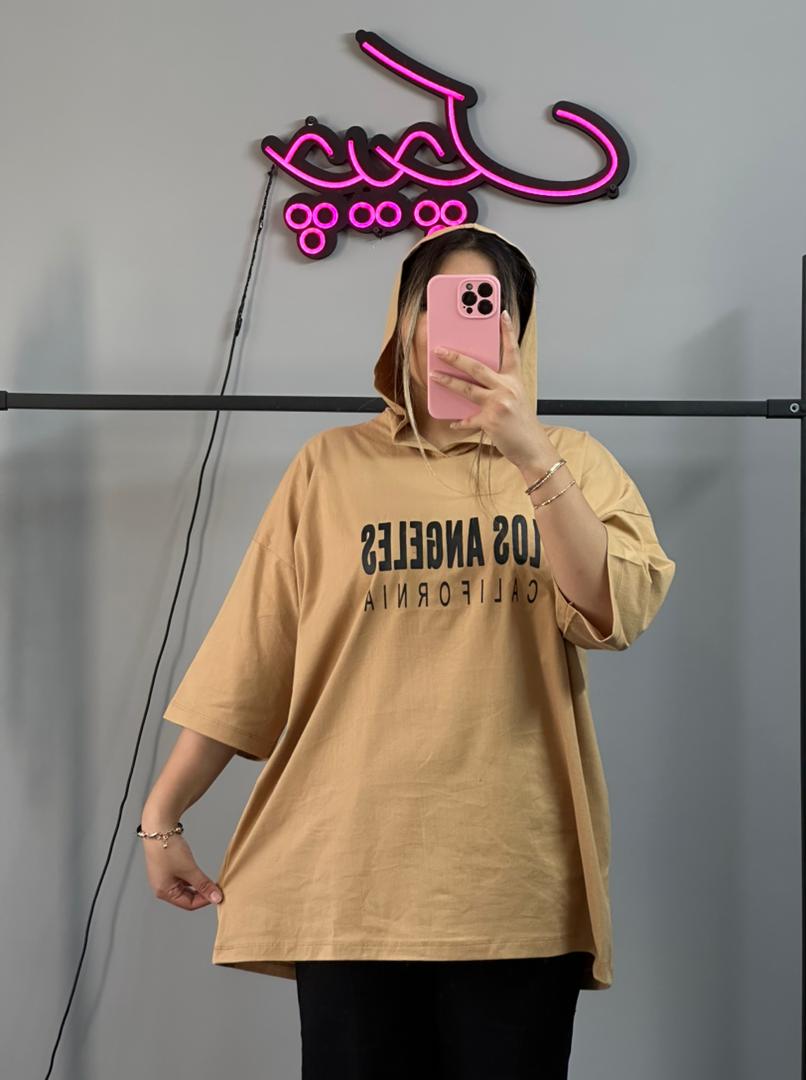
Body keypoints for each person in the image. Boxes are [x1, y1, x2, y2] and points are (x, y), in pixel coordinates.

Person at [140, 222, 677, 1078]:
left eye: (487, 307)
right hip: (349, 877)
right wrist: (162, 816)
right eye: (441, 305)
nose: (459, 329)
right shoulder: (329, 468)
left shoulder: (575, 462)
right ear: (404, 323)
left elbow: (613, 609)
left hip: (515, 880)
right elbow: (251, 657)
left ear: (518, 332)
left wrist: (529, 452)